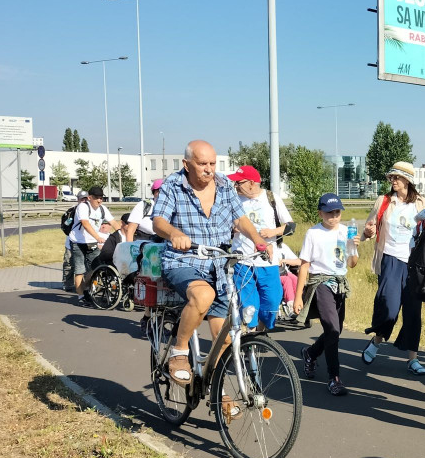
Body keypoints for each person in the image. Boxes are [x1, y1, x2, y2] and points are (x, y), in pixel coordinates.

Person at [152, 140, 269, 386]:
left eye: (213, 163)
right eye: (202, 163)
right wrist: (174, 234)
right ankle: (179, 351)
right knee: (203, 296)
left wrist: (258, 240)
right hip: (184, 260)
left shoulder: (226, 185)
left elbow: (240, 218)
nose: (209, 169)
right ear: (186, 164)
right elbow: (158, 221)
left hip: (219, 265)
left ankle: (218, 393)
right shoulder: (173, 185)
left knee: (224, 339)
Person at [361, 161, 425, 374]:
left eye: (397, 178)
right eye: (391, 177)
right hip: (390, 259)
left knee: (413, 311)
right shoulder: (383, 201)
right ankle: (376, 341)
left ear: (408, 180)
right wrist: (368, 232)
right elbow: (369, 229)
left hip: (414, 264)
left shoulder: (422, 203)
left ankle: (413, 358)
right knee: (389, 307)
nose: (393, 181)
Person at [294, 193, 359, 396]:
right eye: (329, 213)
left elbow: (352, 263)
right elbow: (304, 265)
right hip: (321, 282)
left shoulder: (345, 231)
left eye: (337, 212)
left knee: (335, 331)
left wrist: (354, 247)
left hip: (340, 283)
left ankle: (310, 353)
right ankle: (334, 378)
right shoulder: (313, 233)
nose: (334, 216)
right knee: (331, 330)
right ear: (320, 213)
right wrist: (298, 297)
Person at [228, 164, 293, 333]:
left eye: (238, 183)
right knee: (249, 303)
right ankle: (251, 335)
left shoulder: (271, 198)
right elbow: (222, 226)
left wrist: (273, 231)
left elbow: (290, 226)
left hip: (268, 260)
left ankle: (261, 331)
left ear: (251, 183)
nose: (236, 186)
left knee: (272, 300)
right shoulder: (234, 200)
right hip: (242, 260)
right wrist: (231, 228)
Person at [68, 186, 119, 306]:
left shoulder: (102, 209)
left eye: (101, 198)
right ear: (89, 198)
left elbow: (114, 223)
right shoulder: (83, 206)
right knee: (80, 270)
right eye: (96, 198)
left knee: (96, 268)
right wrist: (97, 237)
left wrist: (121, 234)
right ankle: (81, 297)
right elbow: (85, 224)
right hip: (78, 241)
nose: (99, 200)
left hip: (92, 243)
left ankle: (86, 290)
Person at [62, 190, 89, 292]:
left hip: (86, 241)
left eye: (86, 199)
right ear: (78, 200)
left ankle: (86, 284)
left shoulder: (92, 210)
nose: (84, 201)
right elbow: (66, 225)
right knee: (69, 262)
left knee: (85, 264)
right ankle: (67, 283)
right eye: (82, 199)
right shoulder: (72, 211)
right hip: (71, 240)